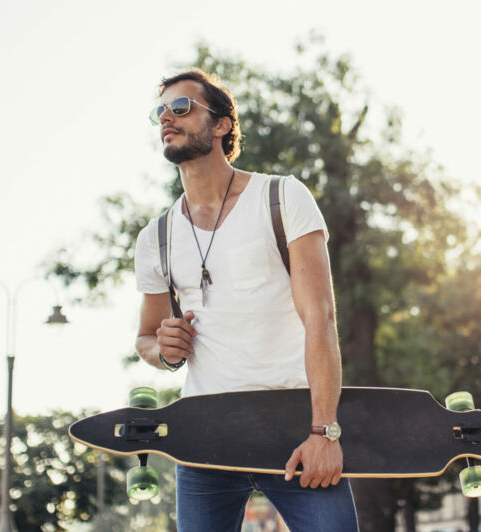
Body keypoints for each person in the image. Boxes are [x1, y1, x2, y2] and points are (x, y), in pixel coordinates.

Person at [132, 68, 358, 531]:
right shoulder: (155, 237)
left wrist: (325, 431)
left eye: (181, 108)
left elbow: (321, 317)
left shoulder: (282, 198)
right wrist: (165, 348)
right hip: (204, 437)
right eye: (161, 112)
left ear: (221, 124)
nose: (167, 120)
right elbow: (146, 340)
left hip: (296, 426)